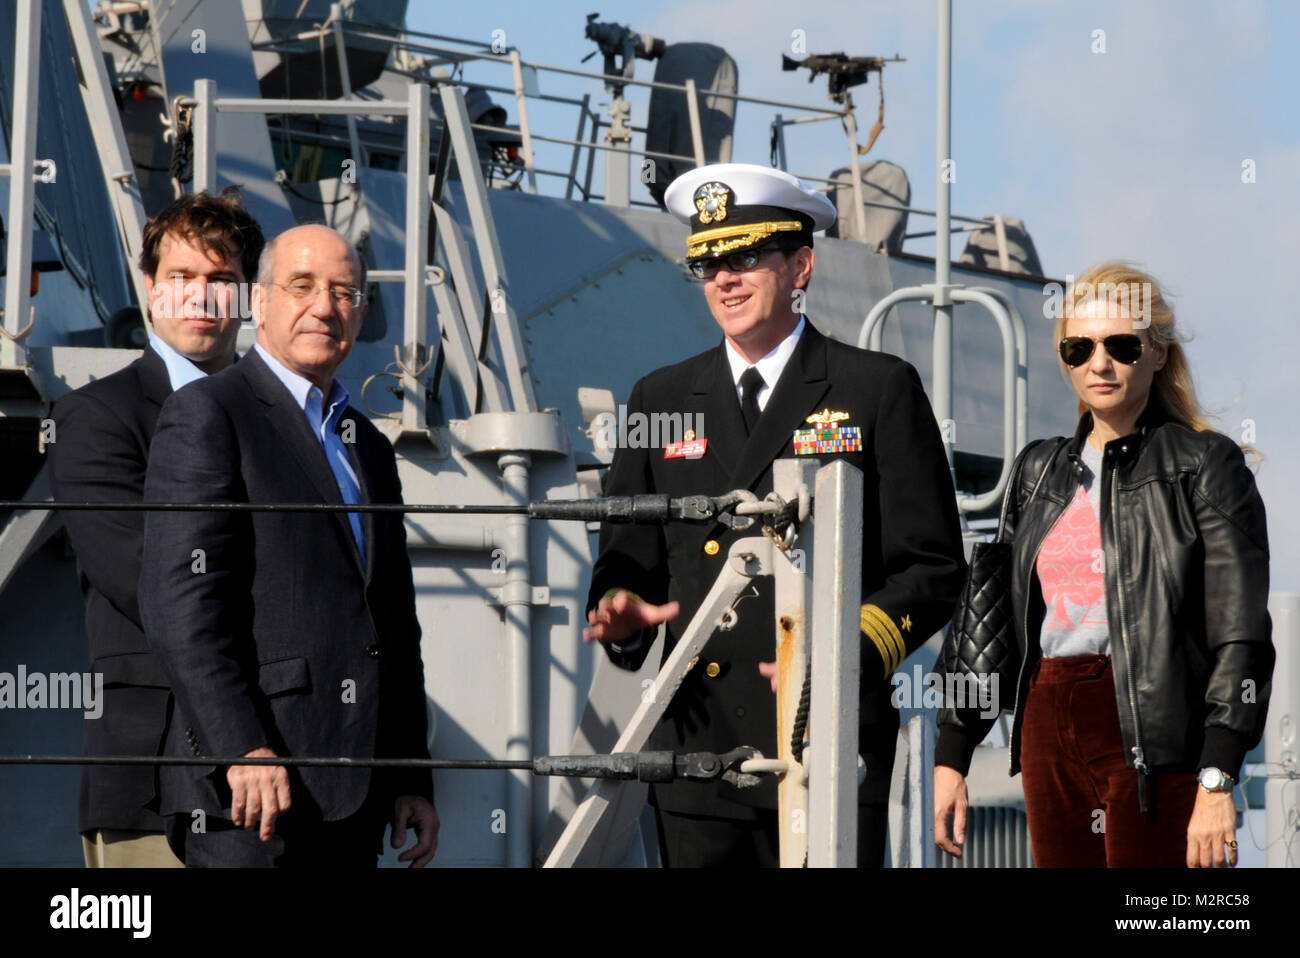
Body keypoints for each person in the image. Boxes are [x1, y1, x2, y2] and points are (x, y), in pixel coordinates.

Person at [584, 163, 966, 867]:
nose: (724, 279)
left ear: (800, 265)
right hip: (699, 758)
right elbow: (625, 553)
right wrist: (620, 608)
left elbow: (933, 568)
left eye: (745, 258)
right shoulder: (659, 397)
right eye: (707, 264)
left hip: (829, 740)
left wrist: (838, 653)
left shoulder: (876, 389)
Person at [933, 262, 1273, 868]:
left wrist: (1219, 776)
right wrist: (953, 753)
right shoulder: (1038, 472)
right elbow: (986, 623)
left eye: (1121, 345)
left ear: (1158, 352)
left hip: (1155, 729)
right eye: (1079, 347)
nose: (1100, 363)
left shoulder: (1205, 465)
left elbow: (1240, 634)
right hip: (1048, 722)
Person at [138, 224, 438, 867]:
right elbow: (179, 607)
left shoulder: (369, 447)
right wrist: (241, 748)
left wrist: (410, 774)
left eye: (344, 292)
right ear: (260, 301)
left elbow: (390, 619)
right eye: (301, 286)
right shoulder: (209, 414)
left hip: (352, 792)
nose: (324, 307)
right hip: (248, 795)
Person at [48, 187, 263, 868]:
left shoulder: (277, 423)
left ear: (246, 295)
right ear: (149, 288)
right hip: (150, 776)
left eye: (221, 280)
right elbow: (150, 581)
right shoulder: (96, 418)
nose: (201, 296)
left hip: (281, 774)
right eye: (181, 278)